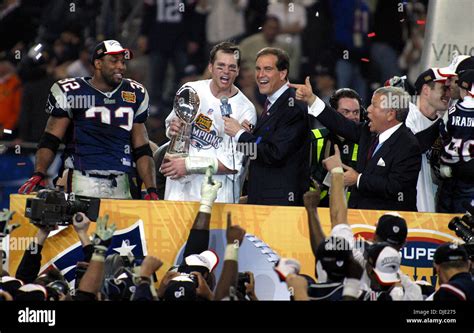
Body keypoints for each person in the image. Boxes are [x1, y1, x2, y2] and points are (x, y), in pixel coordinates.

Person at [18, 40, 158, 200]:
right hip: (81, 180)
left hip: (121, 180)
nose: (121, 66)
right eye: (114, 61)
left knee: (118, 225)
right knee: (82, 224)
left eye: (123, 61)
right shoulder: (72, 92)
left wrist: (151, 188)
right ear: (98, 63)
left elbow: (142, 148)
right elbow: (51, 139)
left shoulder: (134, 93)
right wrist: (39, 173)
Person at [290, 78, 421, 211]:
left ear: (390, 114)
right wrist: (312, 99)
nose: (367, 110)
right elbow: (339, 123)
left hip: (388, 223)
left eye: (374, 105)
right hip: (359, 218)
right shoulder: (368, 132)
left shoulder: (408, 145)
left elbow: (395, 187)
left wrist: (358, 179)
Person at [162, 41, 256, 203]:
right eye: (220, 66)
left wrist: (188, 165)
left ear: (238, 71)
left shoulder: (247, 110)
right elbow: (171, 127)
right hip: (179, 191)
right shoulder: (191, 90)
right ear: (210, 67)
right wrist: (173, 129)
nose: (226, 72)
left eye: (232, 67)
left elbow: (233, 164)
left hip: (217, 196)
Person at [224, 47, 310, 206]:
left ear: (283, 73)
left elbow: (275, 153)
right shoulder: (273, 103)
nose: (260, 75)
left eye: (268, 69)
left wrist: (239, 134)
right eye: (258, 69)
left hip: (280, 204)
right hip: (265, 200)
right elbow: (261, 150)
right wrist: (249, 134)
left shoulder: (292, 107)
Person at [405, 68, 451, 212]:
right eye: (444, 88)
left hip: (432, 207)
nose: (448, 94)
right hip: (409, 208)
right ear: (426, 90)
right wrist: (443, 121)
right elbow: (413, 147)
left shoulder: (443, 123)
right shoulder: (407, 113)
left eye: (450, 89)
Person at [311, 88, 362, 206]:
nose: (352, 117)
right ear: (333, 113)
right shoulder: (313, 138)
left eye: (356, 112)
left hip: (355, 212)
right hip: (318, 209)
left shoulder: (368, 143)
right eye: (345, 112)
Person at [436, 69, 474, 213]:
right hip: (470, 177)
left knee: (445, 222)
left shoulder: (452, 111)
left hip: (450, 171)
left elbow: (443, 133)